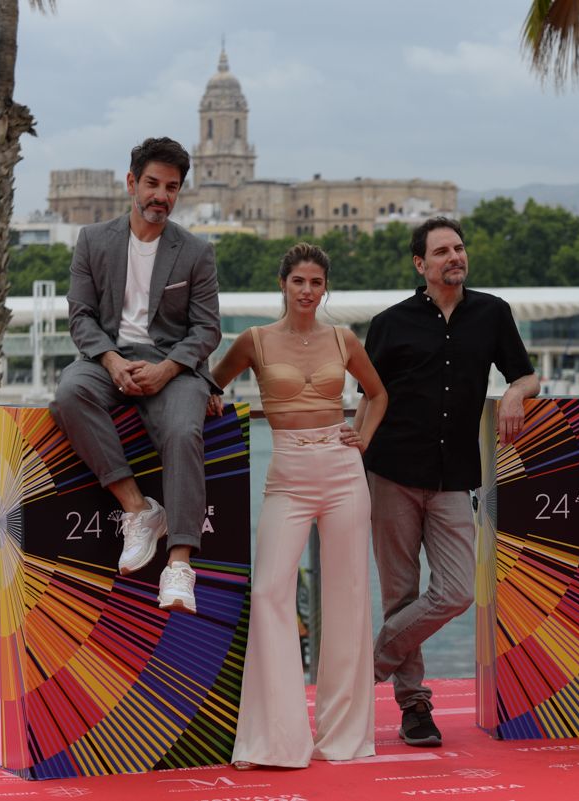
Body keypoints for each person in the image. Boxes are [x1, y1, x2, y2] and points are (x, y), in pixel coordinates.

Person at [356, 217, 539, 747]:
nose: (454, 257)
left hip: (456, 476)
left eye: (458, 248)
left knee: (458, 589)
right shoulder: (389, 323)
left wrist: (512, 395)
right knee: (400, 592)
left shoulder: (492, 313)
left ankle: (374, 658)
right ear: (421, 264)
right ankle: (415, 707)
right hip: (390, 472)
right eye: (442, 251)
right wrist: (353, 457)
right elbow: (370, 396)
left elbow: (525, 373)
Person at [210, 242, 387, 768]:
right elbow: (211, 385)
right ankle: (278, 739)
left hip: (341, 469)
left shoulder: (343, 338)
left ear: (325, 287)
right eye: (298, 282)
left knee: (349, 597)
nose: (307, 291)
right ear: (282, 285)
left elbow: (377, 395)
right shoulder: (254, 341)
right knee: (267, 592)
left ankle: (344, 736)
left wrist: (362, 438)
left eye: (316, 283)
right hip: (286, 474)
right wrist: (212, 402)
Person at [50, 136, 220, 614]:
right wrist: (110, 360)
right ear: (131, 183)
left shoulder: (196, 252)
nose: (160, 196)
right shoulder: (92, 241)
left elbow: (207, 330)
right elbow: (80, 316)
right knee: (67, 393)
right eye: (152, 184)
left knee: (186, 431)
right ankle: (138, 509)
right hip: (109, 361)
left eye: (171, 187)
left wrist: (167, 369)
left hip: (172, 365)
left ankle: (180, 564)